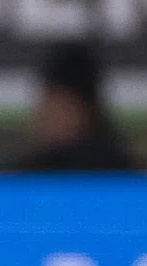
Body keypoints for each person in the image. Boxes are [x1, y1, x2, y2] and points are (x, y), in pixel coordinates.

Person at [25, 42, 133, 172]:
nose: (42, 116)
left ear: (83, 111)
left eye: (58, 107)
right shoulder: (35, 173)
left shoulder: (115, 174)